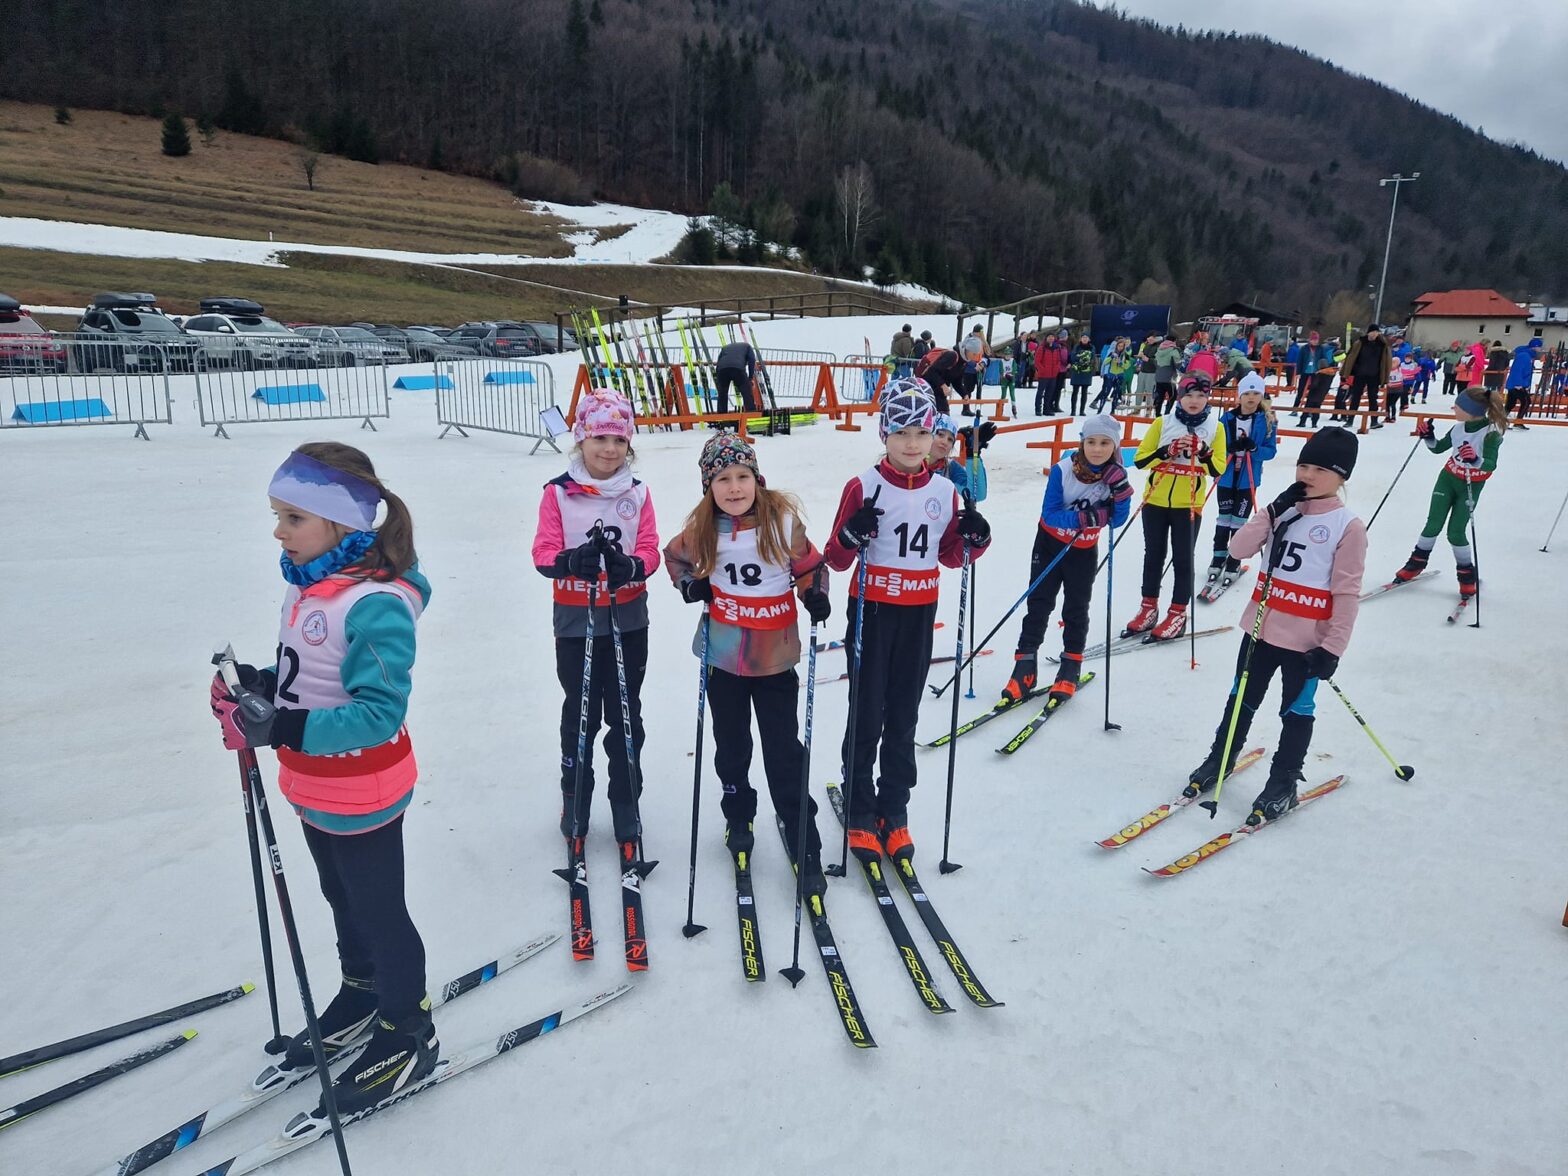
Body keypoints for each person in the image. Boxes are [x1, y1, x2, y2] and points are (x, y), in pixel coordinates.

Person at [208, 442, 438, 1112]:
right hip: (311, 782)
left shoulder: (375, 603)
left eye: (293, 518)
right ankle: (363, 990)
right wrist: (256, 690)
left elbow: (377, 713)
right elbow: (306, 677)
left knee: (378, 909)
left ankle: (407, 1029)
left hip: (365, 785)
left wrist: (279, 728)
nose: (278, 532)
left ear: (342, 523)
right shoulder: (308, 584)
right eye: (278, 516)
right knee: (340, 897)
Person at [823, 378, 992, 860]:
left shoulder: (945, 489)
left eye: (920, 432)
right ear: (884, 434)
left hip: (919, 612)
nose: (912, 443)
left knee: (903, 713)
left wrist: (976, 537)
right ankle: (859, 804)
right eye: (900, 432)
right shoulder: (863, 485)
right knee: (866, 710)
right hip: (872, 611)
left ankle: (894, 807)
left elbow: (952, 556)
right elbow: (834, 557)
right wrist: (852, 535)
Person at [664, 434, 830, 892]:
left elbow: (810, 567)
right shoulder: (702, 529)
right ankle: (738, 816)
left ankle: (803, 836)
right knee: (731, 747)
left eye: (742, 477)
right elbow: (674, 558)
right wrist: (690, 586)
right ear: (708, 486)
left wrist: (814, 593)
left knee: (783, 752)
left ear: (757, 479)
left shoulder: (781, 522)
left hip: (774, 660)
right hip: (723, 659)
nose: (734, 488)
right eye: (722, 479)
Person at [1184, 428, 1366, 826]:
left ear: (1341, 477)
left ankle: (1284, 782)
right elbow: (1237, 550)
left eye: (1320, 469)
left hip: (1307, 642)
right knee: (1241, 699)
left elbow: (1347, 592)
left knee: (1296, 711)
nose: (1308, 475)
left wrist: (1334, 648)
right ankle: (1221, 757)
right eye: (1304, 465)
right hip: (1260, 631)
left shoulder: (1347, 526)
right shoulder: (1283, 511)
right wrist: (1270, 511)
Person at [532, 387, 661, 852]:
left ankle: (626, 802)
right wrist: (570, 561)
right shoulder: (558, 493)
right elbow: (543, 552)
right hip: (575, 619)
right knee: (580, 713)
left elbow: (650, 549)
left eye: (619, 440)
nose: (609, 449)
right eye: (600, 438)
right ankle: (576, 800)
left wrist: (632, 566)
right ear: (581, 439)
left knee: (626, 713)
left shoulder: (637, 493)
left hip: (627, 617)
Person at [1001, 414, 1134, 703]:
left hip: (1083, 551)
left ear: (1115, 446)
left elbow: (1118, 519)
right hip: (1049, 544)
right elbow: (1050, 514)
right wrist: (1086, 518)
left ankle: (1070, 667)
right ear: (1082, 442)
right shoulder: (1063, 470)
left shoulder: (1116, 475)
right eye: (1091, 442)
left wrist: (1121, 493)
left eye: (1105, 443)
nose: (1097, 449)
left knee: (1076, 608)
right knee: (1039, 604)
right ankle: (1024, 667)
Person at [1124, 372, 1227, 641]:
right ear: (1179, 397)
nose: (1194, 401)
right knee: (1153, 555)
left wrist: (1203, 451)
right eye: (1189, 395)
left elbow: (1218, 469)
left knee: (1183, 558)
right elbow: (1140, 460)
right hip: (1155, 500)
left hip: (1188, 503)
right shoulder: (1163, 422)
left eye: (1201, 395)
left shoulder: (1216, 428)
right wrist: (1166, 451)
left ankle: (1178, 613)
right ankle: (1148, 608)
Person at [1392, 387, 1508, 599]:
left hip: (1471, 485)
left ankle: (1467, 576)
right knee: (1433, 524)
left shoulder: (1491, 433)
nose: (1454, 408)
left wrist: (1475, 459)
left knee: (1455, 532)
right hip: (1447, 479)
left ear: (1472, 411)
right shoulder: (1458, 428)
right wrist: (1428, 436)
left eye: (1459, 406)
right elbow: (1437, 448)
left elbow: (1491, 464)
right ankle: (1415, 564)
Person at [1205, 372, 1278, 592]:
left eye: (1256, 393)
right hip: (1226, 476)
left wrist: (1254, 448)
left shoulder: (1267, 420)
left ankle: (1234, 560)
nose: (1251, 398)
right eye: (1246, 393)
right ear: (1240, 396)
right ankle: (1218, 557)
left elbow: (1270, 451)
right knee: (1223, 519)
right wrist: (1229, 448)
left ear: (1261, 396)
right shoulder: (1227, 419)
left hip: (1248, 479)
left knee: (1239, 521)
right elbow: (1215, 445)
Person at [1335, 324, 1390, 429]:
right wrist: (1348, 371)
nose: (1374, 334)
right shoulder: (1360, 343)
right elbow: (1351, 357)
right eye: (1373, 332)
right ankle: (1350, 420)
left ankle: (1374, 421)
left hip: (1374, 375)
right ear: (1368, 332)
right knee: (1355, 397)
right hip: (1360, 374)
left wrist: (1384, 377)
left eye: (1376, 332)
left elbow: (1386, 362)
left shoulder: (1382, 345)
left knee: (1373, 398)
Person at [929, 413, 995, 500]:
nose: (945, 442)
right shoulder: (912, 463)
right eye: (940, 434)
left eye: (950, 439)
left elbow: (976, 495)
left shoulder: (949, 468)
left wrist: (973, 454)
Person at [1296, 335, 1337, 428]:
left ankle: (1303, 421)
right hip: (1322, 393)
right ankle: (1314, 423)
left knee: (1308, 405)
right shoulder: (1330, 373)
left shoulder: (1319, 374)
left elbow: (1315, 384)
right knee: (1317, 406)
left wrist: (1310, 387)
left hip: (1314, 392)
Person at [713, 336, 757, 419]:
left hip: (722, 369)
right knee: (746, 392)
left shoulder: (725, 347)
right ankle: (751, 414)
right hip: (737, 368)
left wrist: (718, 378)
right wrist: (750, 378)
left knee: (722, 393)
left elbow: (719, 362)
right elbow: (752, 361)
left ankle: (722, 417)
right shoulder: (748, 347)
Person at [913, 345, 964, 413]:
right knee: (938, 413)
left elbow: (956, 381)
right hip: (930, 388)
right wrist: (943, 385)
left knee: (941, 413)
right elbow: (932, 371)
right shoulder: (952, 356)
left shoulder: (962, 363)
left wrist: (964, 394)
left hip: (937, 392)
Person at [1505, 337, 1542, 429]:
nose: (1541, 349)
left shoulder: (1527, 355)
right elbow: (1517, 370)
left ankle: (1499, 420)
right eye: (1539, 346)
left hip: (1517, 383)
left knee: (1510, 404)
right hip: (1516, 384)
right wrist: (1518, 384)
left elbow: (1525, 371)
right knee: (1526, 401)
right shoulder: (1524, 356)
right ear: (1535, 347)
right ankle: (1518, 422)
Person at [1094, 336, 1135, 412]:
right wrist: (1111, 357)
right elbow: (1105, 362)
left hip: (1120, 376)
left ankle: (1113, 410)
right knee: (1106, 392)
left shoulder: (1125, 355)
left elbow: (1127, 366)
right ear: (1116, 346)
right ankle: (1100, 409)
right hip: (1111, 375)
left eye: (1122, 346)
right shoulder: (1112, 353)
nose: (1120, 347)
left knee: (1116, 394)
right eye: (1119, 346)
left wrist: (1121, 363)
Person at [1033, 330, 1068, 416]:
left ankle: (1047, 409)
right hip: (1044, 375)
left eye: (1052, 337)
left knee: (1049, 393)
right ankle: (1038, 409)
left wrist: (1056, 369)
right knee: (1040, 392)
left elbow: (1058, 360)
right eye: (1049, 337)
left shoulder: (1056, 348)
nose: (1051, 338)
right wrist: (1042, 370)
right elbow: (1037, 361)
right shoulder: (1042, 348)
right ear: (1046, 338)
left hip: (1053, 375)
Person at [958, 324, 990, 414]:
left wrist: (982, 363)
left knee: (979, 389)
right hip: (969, 368)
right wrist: (974, 365)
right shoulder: (968, 340)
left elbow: (986, 354)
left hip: (980, 367)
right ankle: (966, 408)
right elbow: (964, 355)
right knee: (968, 389)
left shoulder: (982, 341)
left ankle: (978, 409)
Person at [1153, 333, 1183, 416]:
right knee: (1173, 395)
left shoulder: (1159, 349)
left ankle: (1157, 414)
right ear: (1174, 341)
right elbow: (1178, 365)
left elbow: (1155, 362)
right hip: (1169, 378)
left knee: (1160, 396)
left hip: (1158, 377)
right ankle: (1167, 413)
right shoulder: (1174, 350)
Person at [1067, 333, 1096, 414]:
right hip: (1077, 371)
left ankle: (1082, 411)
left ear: (1089, 339)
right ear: (1080, 339)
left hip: (1086, 372)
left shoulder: (1092, 347)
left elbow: (1092, 357)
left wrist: (1081, 356)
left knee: (1084, 391)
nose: (1084, 339)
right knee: (1075, 391)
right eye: (1083, 337)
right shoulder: (1076, 347)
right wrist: (1084, 356)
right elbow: (1073, 357)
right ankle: (1073, 410)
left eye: (1086, 337)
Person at [1382, 350, 1412, 423]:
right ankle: (1387, 417)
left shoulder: (1400, 370)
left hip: (1398, 389)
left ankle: (1393, 417)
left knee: (1392, 403)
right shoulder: (1387, 370)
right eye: (1392, 362)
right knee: (1387, 404)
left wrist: (1409, 385)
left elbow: (1408, 376)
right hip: (1389, 389)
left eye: (1394, 363)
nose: (1393, 364)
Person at [999, 352, 1017, 417]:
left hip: (1011, 379)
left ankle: (1014, 407)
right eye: (1006, 355)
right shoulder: (1001, 361)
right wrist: (1005, 375)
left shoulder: (1013, 360)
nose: (1008, 356)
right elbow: (1001, 370)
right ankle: (1001, 408)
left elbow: (1015, 369)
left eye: (1009, 355)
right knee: (1003, 394)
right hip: (1004, 379)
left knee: (1012, 393)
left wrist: (1011, 375)